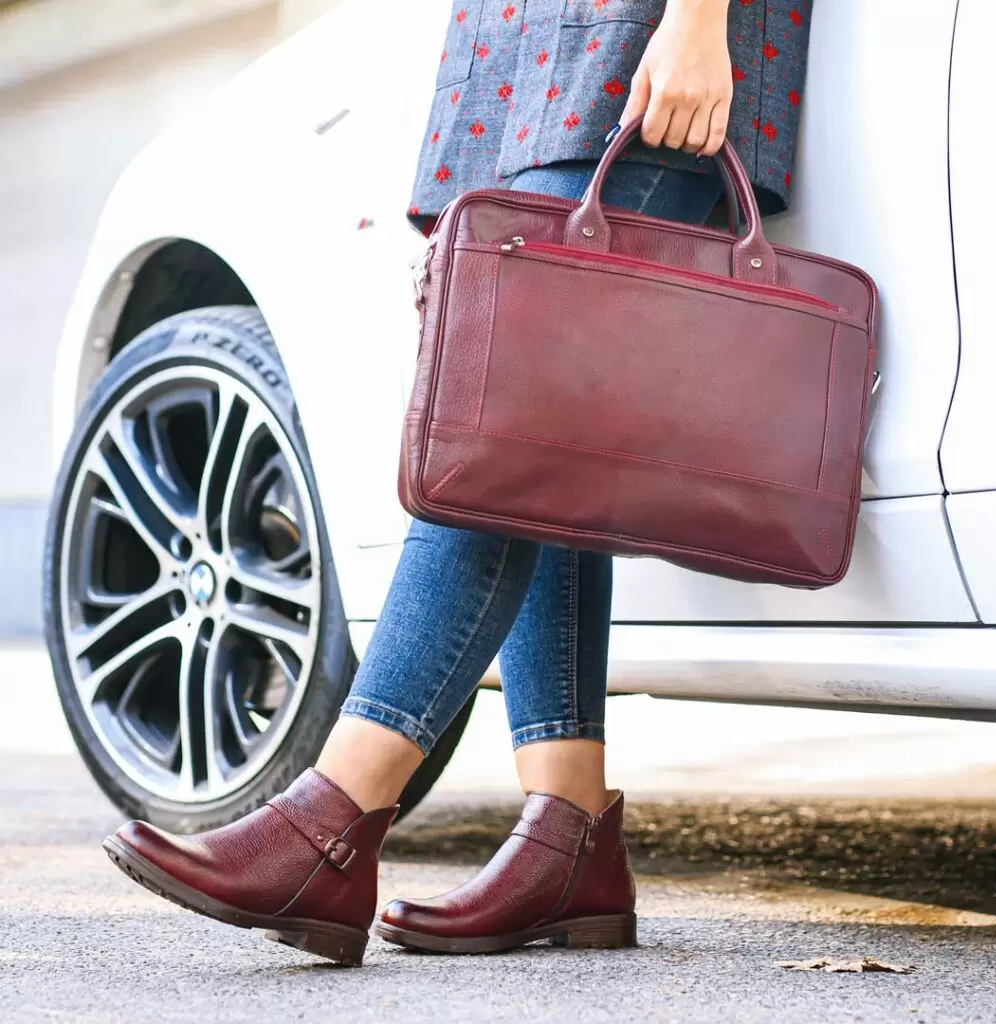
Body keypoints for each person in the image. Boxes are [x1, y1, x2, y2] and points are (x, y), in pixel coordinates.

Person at [103, 0, 812, 965]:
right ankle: (570, 833)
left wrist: (696, 17)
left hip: (627, 45)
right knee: (548, 449)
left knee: (503, 429)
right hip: (527, 60)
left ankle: (333, 820)